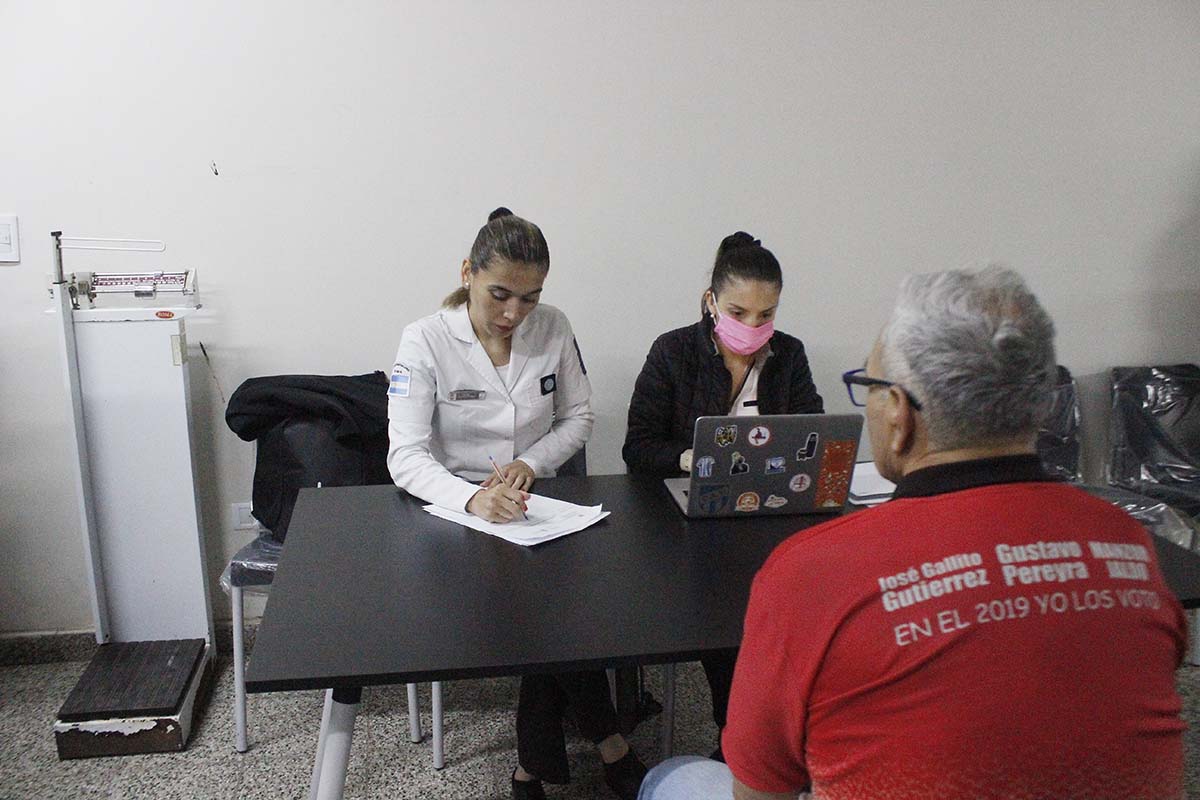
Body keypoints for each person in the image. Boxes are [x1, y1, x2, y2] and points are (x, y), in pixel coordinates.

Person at [638, 266, 1187, 800]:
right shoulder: (1131, 545)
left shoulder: (808, 572)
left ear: (898, 415)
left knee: (672, 778)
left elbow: (758, 789)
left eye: (869, 387)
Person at [387, 208, 646, 800]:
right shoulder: (425, 339)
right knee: (548, 610)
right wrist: (474, 499)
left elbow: (578, 417)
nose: (513, 314)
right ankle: (608, 743)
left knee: (559, 601)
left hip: (537, 500)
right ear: (468, 274)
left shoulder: (553, 327)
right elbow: (405, 457)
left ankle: (534, 767)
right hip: (451, 508)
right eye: (499, 295)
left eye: (529, 298)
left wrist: (532, 462)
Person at [622, 231, 823, 758]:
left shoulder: (788, 355)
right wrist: (690, 457)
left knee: (803, 597)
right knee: (731, 607)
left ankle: (781, 730)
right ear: (711, 301)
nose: (753, 327)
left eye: (766, 314)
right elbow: (637, 448)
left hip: (769, 514)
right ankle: (741, 737)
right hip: (691, 520)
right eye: (738, 312)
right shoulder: (673, 352)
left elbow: (812, 433)